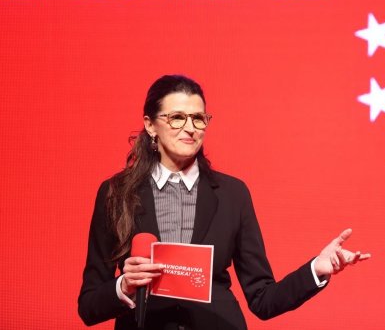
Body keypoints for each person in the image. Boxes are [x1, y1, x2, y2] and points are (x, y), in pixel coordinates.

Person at [78, 74, 370, 329]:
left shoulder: (232, 193)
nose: (190, 128)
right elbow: (88, 306)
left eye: (198, 118)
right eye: (177, 117)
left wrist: (316, 269)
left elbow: (263, 298)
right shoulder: (116, 193)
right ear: (151, 125)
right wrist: (124, 285)